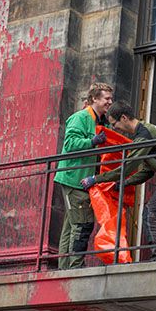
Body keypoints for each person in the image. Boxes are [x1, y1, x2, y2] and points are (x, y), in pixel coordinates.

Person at [80, 101, 156, 260]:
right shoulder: (144, 135)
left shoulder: (144, 135)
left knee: (151, 213)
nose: (114, 128)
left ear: (124, 118)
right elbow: (145, 172)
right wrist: (122, 184)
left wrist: (96, 179)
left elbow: (127, 167)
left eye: (114, 124)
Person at [53, 83, 113, 269]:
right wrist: (92, 141)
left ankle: (65, 266)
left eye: (111, 99)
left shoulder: (101, 121)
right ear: (95, 98)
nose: (110, 102)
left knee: (72, 226)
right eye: (107, 99)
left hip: (82, 179)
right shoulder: (80, 117)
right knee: (82, 222)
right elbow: (70, 143)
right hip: (74, 178)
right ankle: (74, 267)